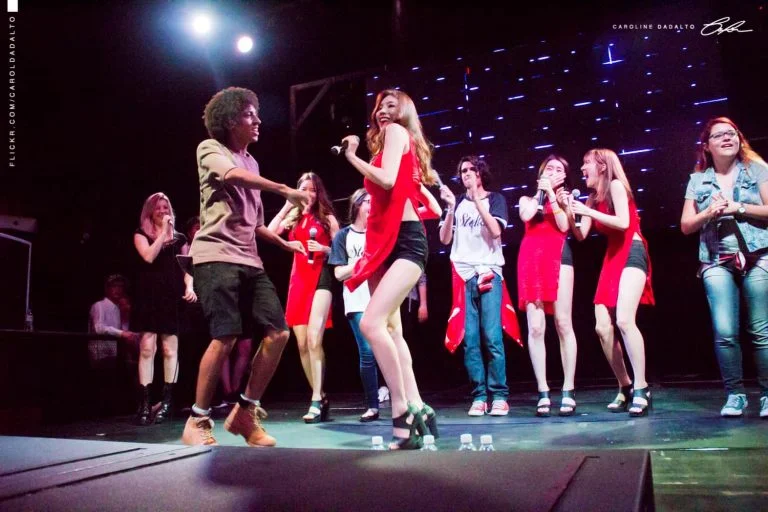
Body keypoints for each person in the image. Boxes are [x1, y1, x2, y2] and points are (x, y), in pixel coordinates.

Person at [181, 86, 309, 446]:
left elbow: (256, 224)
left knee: (279, 333)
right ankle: (197, 420)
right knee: (225, 336)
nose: (258, 121)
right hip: (215, 256)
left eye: (256, 113)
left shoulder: (252, 162)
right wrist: (283, 189)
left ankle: (244, 412)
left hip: (249, 259)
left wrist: (284, 243)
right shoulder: (210, 149)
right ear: (230, 119)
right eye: (250, 114)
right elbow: (232, 176)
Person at [341, 89, 442, 449]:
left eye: (390, 106)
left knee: (370, 324)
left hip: (407, 242)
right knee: (391, 331)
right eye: (379, 107)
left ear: (403, 113)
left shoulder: (397, 133)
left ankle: (401, 410)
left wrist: (351, 156)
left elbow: (385, 180)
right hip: (385, 243)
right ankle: (417, 405)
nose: (382, 112)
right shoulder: (387, 145)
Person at [680, 117, 768, 418]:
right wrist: (709, 212)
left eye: (732, 133)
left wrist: (738, 207)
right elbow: (686, 225)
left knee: (761, 330)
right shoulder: (698, 180)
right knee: (725, 331)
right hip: (716, 259)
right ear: (707, 146)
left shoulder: (757, 170)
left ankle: (767, 395)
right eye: (719, 135)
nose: (727, 138)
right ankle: (735, 395)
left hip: (758, 254)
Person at [566, 149, 655, 417]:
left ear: (603, 166)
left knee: (625, 320)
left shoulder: (615, 185)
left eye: (587, 163)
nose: (582, 169)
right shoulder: (592, 199)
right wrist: (571, 211)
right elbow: (581, 234)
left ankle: (642, 387)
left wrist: (587, 211)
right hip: (612, 258)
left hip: (631, 250)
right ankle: (625, 385)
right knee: (602, 327)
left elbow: (624, 222)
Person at [439, 156, 511, 417]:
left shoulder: (496, 199)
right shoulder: (457, 203)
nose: (467, 174)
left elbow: (495, 231)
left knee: (491, 336)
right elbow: (444, 239)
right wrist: (450, 209)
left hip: (489, 271)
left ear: (481, 173)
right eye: (463, 171)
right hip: (463, 274)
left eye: (471, 169)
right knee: (469, 339)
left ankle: (499, 395)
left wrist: (477, 200)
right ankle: (479, 396)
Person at [268, 172, 339, 422]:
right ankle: (321, 395)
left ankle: (316, 399)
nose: (309, 194)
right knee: (301, 344)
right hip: (298, 280)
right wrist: (287, 204)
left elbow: (341, 250)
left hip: (321, 277)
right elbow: (270, 231)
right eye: (304, 189)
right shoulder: (294, 217)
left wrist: (325, 248)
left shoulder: (327, 217)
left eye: (313, 189)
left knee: (313, 338)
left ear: (319, 193)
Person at [517, 155, 579, 417]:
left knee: (563, 323)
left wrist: (554, 196)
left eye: (558, 169)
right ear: (540, 174)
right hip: (531, 259)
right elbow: (527, 214)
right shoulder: (527, 199)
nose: (553, 172)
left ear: (564, 176)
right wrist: (542, 193)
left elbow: (565, 226)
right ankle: (543, 390)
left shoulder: (566, 199)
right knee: (535, 326)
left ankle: (568, 388)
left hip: (559, 257)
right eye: (549, 169)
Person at [133, 192, 197, 425]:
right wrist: (162, 233)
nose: (162, 211)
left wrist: (190, 286)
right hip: (149, 297)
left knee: (170, 350)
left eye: (165, 207)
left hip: (172, 298)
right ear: (150, 211)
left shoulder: (180, 239)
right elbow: (149, 257)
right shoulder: (141, 235)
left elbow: (187, 268)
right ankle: (144, 403)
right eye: (158, 207)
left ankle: (167, 402)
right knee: (147, 348)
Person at [329, 188, 380, 421]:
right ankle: (373, 405)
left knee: (389, 350)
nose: (372, 205)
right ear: (357, 205)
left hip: (380, 296)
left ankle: (402, 400)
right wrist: (363, 262)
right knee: (367, 352)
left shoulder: (379, 232)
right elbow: (339, 273)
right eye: (368, 201)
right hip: (356, 300)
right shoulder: (343, 236)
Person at [87, 274, 140, 416]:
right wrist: (121, 334)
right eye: (114, 286)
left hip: (115, 354)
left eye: (120, 287)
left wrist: (125, 316)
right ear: (107, 288)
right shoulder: (99, 305)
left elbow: (125, 330)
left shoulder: (119, 308)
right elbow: (99, 328)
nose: (118, 290)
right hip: (101, 352)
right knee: (103, 385)